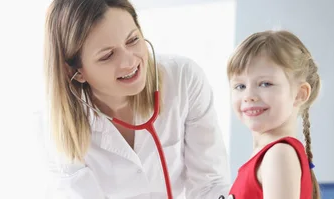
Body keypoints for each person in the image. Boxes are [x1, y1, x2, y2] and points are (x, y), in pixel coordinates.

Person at [41, 0, 230, 198]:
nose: (130, 61)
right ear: (76, 71)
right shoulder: (54, 126)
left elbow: (211, 184)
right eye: (107, 55)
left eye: (132, 40)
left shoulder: (183, 78)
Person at [224, 30, 322, 199]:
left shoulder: (278, 155)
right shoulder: (270, 155)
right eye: (240, 86)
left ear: (299, 94)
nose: (249, 96)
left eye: (265, 83)